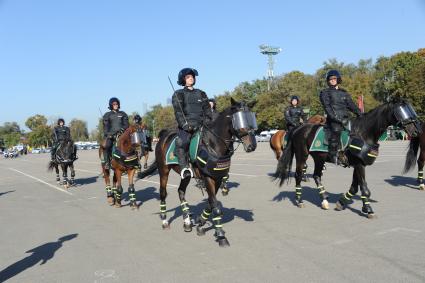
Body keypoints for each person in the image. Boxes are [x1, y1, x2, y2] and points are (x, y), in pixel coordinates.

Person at [172, 68, 211, 179]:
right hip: (187, 126)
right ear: (183, 79)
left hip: (202, 125)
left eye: (192, 76)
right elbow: (178, 112)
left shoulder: (201, 93)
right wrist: (185, 124)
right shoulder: (178, 94)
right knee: (181, 141)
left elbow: (207, 109)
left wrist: (208, 120)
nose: (191, 78)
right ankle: (184, 167)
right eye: (188, 77)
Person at [319, 70, 361, 165]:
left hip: (346, 119)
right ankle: (333, 155)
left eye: (334, 78)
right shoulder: (325, 92)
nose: (332, 80)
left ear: (338, 79)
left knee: (358, 131)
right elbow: (327, 107)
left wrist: (360, 113)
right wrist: (335, 118)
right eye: (330, 79)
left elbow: (351, 105)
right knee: (336, 130)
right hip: (334, 120)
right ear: (328, 81)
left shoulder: (344, 93)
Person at [102, 97, 129, 169]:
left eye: (117, 104)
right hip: (111, 135)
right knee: (106, 146)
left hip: (122, 134)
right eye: (114, 104)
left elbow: (126, 124)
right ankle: (107, 162)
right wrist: (108, 135)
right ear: (111, 105)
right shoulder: (107, 115)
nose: (116, 105)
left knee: (132, 144)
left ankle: (135, 161)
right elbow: (105, 127)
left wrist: (123, 129)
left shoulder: (123, 114)